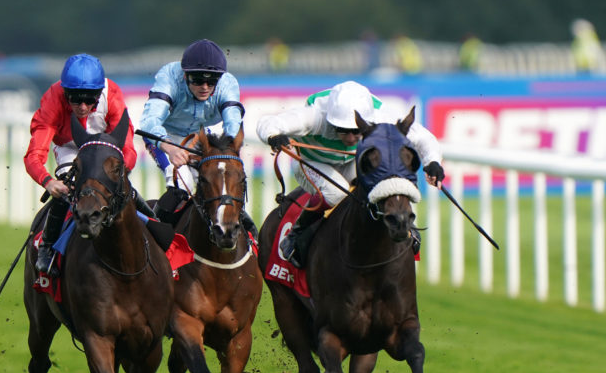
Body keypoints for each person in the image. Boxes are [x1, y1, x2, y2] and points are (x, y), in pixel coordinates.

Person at [256, 80, 445, 268]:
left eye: (356, 131)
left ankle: (404, 224)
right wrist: (273, 136)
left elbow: (423, 137)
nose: (350, 138)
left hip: (349, 163)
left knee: (381, 177)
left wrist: (433, 162)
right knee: (336, 193)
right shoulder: (315, 116)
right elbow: (267, 122)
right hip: (311, 163)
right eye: (343, 130)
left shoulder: (381, 117)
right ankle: (296, 233)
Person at [24, 53, 153, 275]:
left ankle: (156, 231)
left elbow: (128, 149)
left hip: (103, 147)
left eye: (90, 99)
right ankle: (47, 246)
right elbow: (34, 155)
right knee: (67, 189)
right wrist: (48, 182)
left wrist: (121, 173)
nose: (82, 106)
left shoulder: (112, 94)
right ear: (65, 92)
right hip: (70, 148)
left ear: (99, 93)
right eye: (75, 99)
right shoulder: (53, 99)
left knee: (124, 189)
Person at [139, 39, 257, 237]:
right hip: (166, 137)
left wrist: (229, 152)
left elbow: (233, 124)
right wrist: (170, 148)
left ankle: (251, 236)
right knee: (181, 186)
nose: (205, 87)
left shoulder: (227, 83)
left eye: (211, 82)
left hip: (203, 136)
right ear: (185, 75)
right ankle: (154, 237)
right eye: (197, 81)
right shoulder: (169, 77)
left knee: (221, 182)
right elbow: (149, 122)